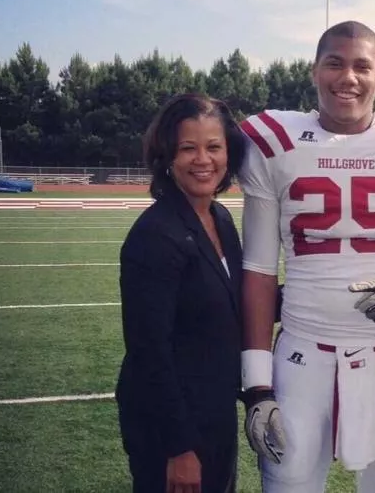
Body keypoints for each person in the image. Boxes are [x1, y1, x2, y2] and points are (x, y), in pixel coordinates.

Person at [237, 20, 375, 493]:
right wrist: (257, 386)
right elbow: (257, 270)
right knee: (288, 481)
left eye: (362, 66)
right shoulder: (272, 141)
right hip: (300, 354)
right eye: (334, 64)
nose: (348, 78)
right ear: (314, 71)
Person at [116, 93, 246, 493]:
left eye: (214, 147)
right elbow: (149, 352)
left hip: (215, 410)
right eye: (188, 148)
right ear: (167, 155)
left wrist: (312, 293)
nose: (203, 159)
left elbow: (233, 304)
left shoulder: (220, 218)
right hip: (171, 429)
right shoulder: (155, 235)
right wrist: (179, 448)